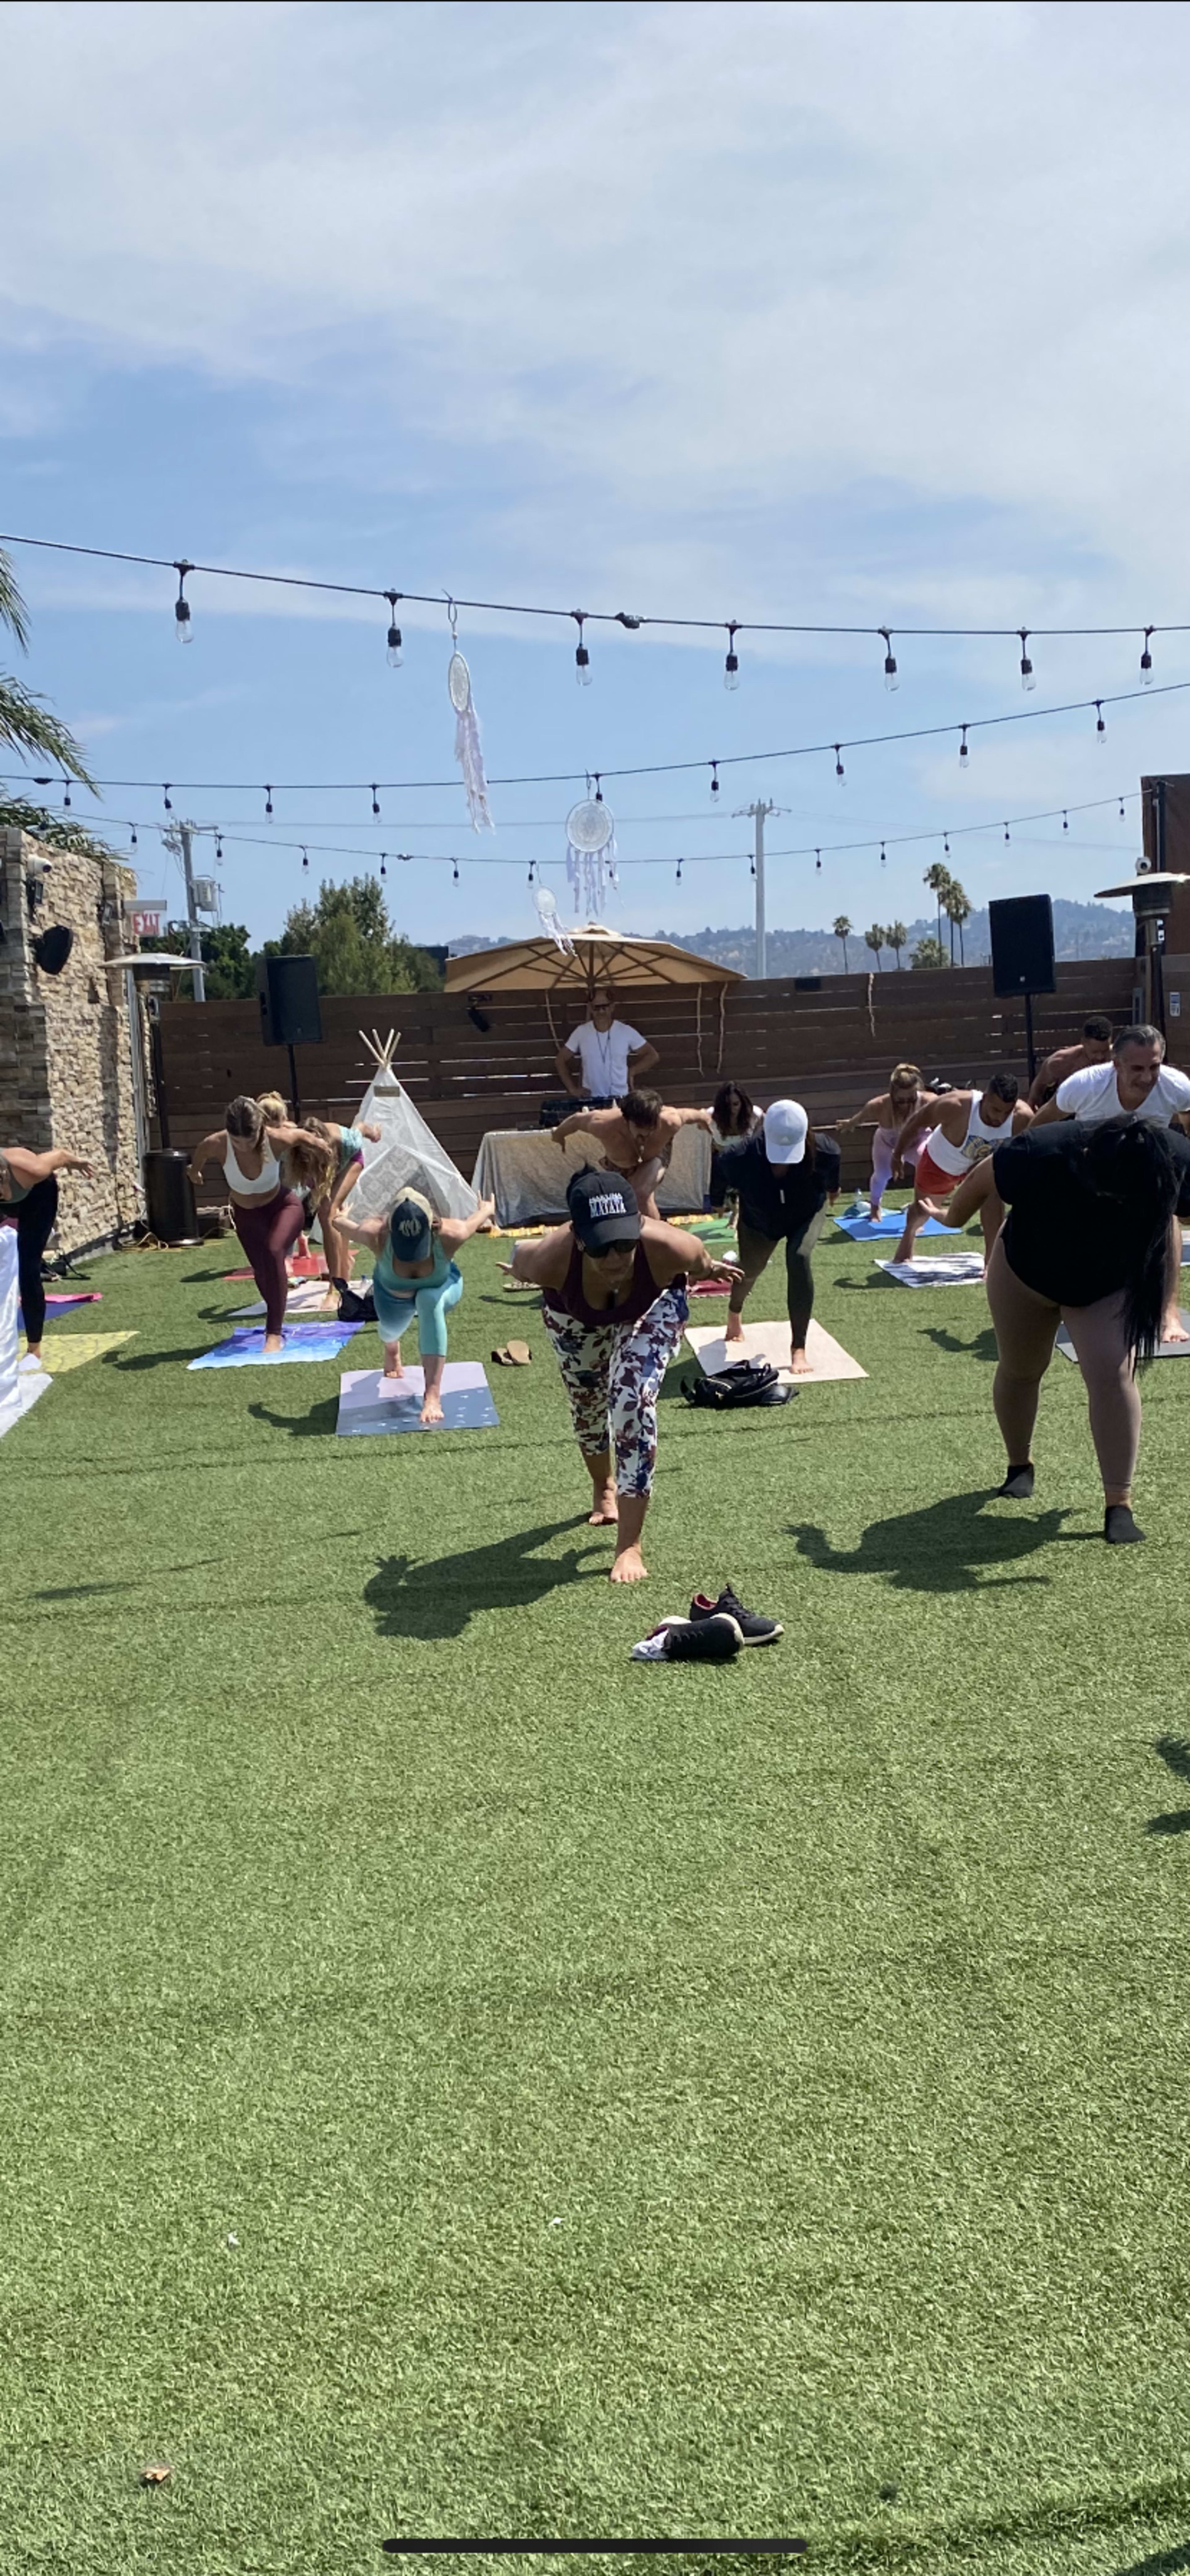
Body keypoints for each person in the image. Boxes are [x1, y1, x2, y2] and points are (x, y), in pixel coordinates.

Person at [945, 1116, 1190, 1545]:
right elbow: (983, 1178)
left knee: (1114, 1374)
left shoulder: (1176, 1157)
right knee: (1022, 1369)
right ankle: (1019, 1465)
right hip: (1025, 1271)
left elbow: (1173, 1218)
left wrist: (1167, 1303)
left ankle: (1119, 1502)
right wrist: (951, 1216)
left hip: (1106, 1282)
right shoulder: (1042, 1149)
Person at [508, 1168, 741, 1582]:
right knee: (588, 1402)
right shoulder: (549, 1259)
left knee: (631, 1396)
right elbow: (521, 1258)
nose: (616, 1258)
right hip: (574, 1314)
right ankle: (604, 1486)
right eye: (602, 1248)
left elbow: (701, 1260)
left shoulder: (672, 1246)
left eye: (625, 1243)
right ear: (580, 1239)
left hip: (652, 1305)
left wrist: (709, 1271)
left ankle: (630, 1545)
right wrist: (522, 1269)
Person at [1032, 1023, 1190, 1343]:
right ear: (1115, 1064)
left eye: (1154, 1067)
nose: (1147, 1077)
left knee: (1168, 1215)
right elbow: (1042, 1124)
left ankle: (1168, 1312)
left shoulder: (1177, 1086)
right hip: (1090, 1166)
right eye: (1137, 1068)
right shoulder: (1085, 1086)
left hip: (1146, 1162)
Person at [336, 1185, 496, 1424]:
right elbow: (339, 1224)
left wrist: (487, 1209)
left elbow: (479, 1218)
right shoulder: (375, 1233)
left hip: (443, 1286)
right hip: (391, 1294)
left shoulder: (452, 1234)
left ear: (432, 1225)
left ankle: (432, 1396)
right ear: (390, 1228)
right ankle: (392, 1347)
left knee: (428, 1299)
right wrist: (340, 1216)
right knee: (390, 1329)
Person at [188, 1097, 331, 1353]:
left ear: (261, 1130)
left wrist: (322, 1146)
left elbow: (303, 1136)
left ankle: (273, 1334)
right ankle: (276, 1309)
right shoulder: (218, 1144)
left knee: (275, 1250)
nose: (243, 1148)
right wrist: (195, 1172)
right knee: (262, 1271)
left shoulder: (275, 1139)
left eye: (249, 1141)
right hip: (246, 1216)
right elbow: (200, 1154)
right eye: (237, 1142)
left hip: (283, 1207)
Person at [719, 1099, 841, 1375]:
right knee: (750, 1269)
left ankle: (799, 1347)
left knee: (799, 1257)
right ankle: (734, 1311)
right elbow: (722, 1171)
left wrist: (832, 1190)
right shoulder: (741, 1155)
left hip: (806, 1212)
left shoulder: (825, 1150)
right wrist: (720, 1201)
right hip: (760, 1219)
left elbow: (833, 1183)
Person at [891, 1074, 1032, 1266]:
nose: (999, 1118)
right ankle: (908, 1237)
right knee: (922, 1209)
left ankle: (991, 1262)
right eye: (995, 1110)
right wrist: (897, 1154)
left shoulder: (1023, 1118)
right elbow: (917, 1121)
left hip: (982, 1165)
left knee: (993, 1192)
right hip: (942, 1161)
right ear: (985, 1098)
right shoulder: (956, 1105)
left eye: (1006, 1113)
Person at [0, 1143, 94, 1369]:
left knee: (28, 1268)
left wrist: (77, 1161)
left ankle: (34, 1351)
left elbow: (60, 1156)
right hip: (9, 1204)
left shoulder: (28, 1168)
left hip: (38, 1196)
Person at [552, 1088, 712, 1218]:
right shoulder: (602, 1123)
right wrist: (558, 1135)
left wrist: (705, 1120)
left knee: (641, 1193)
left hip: (656, 1155)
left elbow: (693, 1114)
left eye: (650, 1129)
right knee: (629, 1199)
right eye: (640, 1129)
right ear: (627, 1120)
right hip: (621, 1162)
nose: (645, 1135)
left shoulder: (670, 1121)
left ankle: (657, 1244)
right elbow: (576, 1120)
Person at [834, 1062, 930, 1220]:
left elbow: (950, 1111)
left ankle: (919, 1205)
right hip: (888, 1143)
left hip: (917, 1142)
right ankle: (875, 1207)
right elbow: (859, 1119)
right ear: (893, 1095)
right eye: (901, 1101)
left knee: (924, 1160)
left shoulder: (928, 1101)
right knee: (882, 1174)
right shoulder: (879, 1105)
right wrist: (850, 1124)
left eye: (911, 1100)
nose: (906, 1105)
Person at [303, 1114, 383, 1285]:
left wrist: (374, 1134)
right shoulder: (297, 1152)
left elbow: (361, 1126)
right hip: (319, 1166)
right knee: (328, 1215)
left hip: (351, 1161)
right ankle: (344, 1265)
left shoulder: (347, 1140)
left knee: (328, 1211)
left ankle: (336, 1284)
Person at [554, 983, 659, 1102]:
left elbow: (652, 1056)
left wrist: (632, 1072)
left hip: (621, 1099)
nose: (601, 1011)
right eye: (596, 1008)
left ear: (613, 1007)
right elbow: (560, 1061)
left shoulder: (626, 1031)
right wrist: (573, 1090)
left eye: (605, 1007)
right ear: (590, 1009)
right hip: (591, 1100)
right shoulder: (581, 1032)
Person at [1026, 1015, 1113, 1108]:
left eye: (1105, 1051)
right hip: (1069, 1109)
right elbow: (1039, 1085)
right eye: (1095, 1052)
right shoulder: (1061, 1062)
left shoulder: (1120, 1058)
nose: (1100, 1057)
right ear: (1083, 1043)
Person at [706, 1081, 763, 1209]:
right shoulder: (712, 1116)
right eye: (728, 1105)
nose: (732, 1109)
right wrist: (713, 1135)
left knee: (749, 1190)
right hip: (721, 1156)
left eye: (736, 1104)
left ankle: (741, 1216)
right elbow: (701, 1123)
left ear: (743, 1103)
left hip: (745, 1157)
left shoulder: (754, 1115)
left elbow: (766, 1126)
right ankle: (720, 1213)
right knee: (717, 1195)